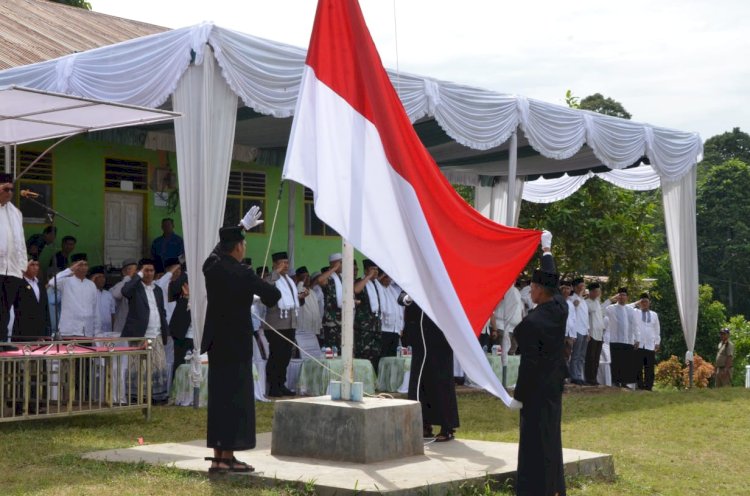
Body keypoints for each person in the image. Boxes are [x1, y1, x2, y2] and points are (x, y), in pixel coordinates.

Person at [202, 225, 281, 474]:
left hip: (216, 343)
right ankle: (228, 456)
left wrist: (239, 229)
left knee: (218, 399)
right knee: (235, 398)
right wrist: (263, 283)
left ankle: (217, 456)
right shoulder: (244, 272)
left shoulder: (211, 267)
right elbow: (273, 295)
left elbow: (214, 255)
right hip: (236, 342)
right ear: (238, 247)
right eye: (243, 244)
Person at [511, 230, 568, 496]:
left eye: (532, 287)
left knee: (534, 441)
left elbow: (528, 365)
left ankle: (535, 488)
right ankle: (554, 487)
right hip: (554, 385)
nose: (529, 291)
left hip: (535, 390)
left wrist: (519, 396)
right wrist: (546, 251)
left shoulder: (531, 324)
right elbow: (553, 281)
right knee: (551, 437)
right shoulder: (559, 307)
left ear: (539, 290)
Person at [400, 293, 459, 443]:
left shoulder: (442, 284)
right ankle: (423, 424)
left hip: (439, 340)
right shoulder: (414, 281)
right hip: (420, 340)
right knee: (419, 384)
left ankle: (447, 427)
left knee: (440, 382)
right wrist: (410, 296)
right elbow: (401, 299)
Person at [120, 258, 170, 403]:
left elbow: (161, 310)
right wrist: (138, 276)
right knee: (139, 367)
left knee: (157, 365)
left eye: (151, 270)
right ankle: (137, 397)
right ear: (141, 271)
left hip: (157, 333)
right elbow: (125, 291)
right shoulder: (135, 287)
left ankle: (157, 397)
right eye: (146, 270)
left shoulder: (158, 289)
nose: (149, 273)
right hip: (139, 334)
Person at [263, 251, 305, 397]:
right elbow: (266, 288)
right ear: (275, 264)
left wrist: (301, 297)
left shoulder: (288, 280)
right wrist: (276, 272)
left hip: (289, 323)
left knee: (286, 356)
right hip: (275, 324)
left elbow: (290, 300)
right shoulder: (271, 277)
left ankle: (282, 384)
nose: (286, 266)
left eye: (287, 263)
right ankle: (273, 386)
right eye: (283, 263)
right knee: (276, 355)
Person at [0, 172, 27, 347]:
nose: (10, 193)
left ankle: (2, 340)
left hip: (14, 269)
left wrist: (23, 265)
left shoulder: (16, 212)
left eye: (11, 189)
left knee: (5, 308)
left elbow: (21, 241)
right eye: (5, 189)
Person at [47, 254, 99, 337]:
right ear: (74, 266)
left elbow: (95, 308)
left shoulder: (91, 284)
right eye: (80, 265)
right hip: (69, 330)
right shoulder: (65, 281)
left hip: (87, 331)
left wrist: (97, 331)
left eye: (86, 265)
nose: (84, 267)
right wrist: (70, 270)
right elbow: (52, 282)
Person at [605, 287, 640, 388]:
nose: (622, 297)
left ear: (627, 297)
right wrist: (611, 299)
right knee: (616, 361)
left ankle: (625, 382)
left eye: (624, 295)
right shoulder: (610, 308)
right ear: (617, 296)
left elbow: (635, 325)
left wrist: (637, 338)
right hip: (615, 339)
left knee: (626, 361)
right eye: (620, 295)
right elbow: (602, 310)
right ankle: (616, 382)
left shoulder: (631, 310)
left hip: (628, 339)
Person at [354, 259, 382, 371]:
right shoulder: (362, 282)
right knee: (363, 355)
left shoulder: (376, 285)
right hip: (363, 327)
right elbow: (356, 290)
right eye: (372, 269)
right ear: (365, 270)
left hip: (376, 325)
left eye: (376, 269)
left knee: (375, 355)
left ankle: (372, 381)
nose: (375, 272)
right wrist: (367, 277)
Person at [12, 256, 50, 338]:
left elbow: (45, 307)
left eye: (37, 265)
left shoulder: (40, 284)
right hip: (22, 329)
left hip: (40, 329)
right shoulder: (19, 283)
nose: (36, 268)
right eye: (32, 265)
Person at [375, 271, 403, 359]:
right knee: (383, 356)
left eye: (389, 277)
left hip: (395, 330)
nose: (388, 279)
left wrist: (400, 327)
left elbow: (399, 310)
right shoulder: (378, 288)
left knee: (393, 357)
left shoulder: (393, 290)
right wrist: (379, 278)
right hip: (384, 330)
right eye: (385, 277)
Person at [634, 293, 660, 391]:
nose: (644, 304)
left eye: (646, 302)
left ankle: (648, 387)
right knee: (638, 366)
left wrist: (657, 342)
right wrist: (634, 340)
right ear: (639, 303)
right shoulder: (635, 312)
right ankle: (639, 386)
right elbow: (633, 327)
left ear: (650, 303)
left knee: (649, 367)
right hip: (638, 343)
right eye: (642, 302)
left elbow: (657, 329)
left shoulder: (654, 315)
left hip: (650, 344)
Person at [318, 253, 343, 348]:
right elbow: (320, 280)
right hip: (331, 321)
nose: (343, 265)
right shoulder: (329, 277)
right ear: (334, 263)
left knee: (342, 349)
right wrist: (333, 269)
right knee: (331, 349)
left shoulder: (342, 278)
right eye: (341, 263)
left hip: (342, 319)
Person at [569, 277, 590, 385]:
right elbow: (575, 305)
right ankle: (573, 376)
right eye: (580, 286)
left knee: (582, 356)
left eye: (583, 286)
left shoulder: (584, 302)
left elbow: (585, 317)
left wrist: (588, 331)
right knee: (575, 355)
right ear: (575, 287)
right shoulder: (572, 298)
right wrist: (581, 293)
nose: (583, 288)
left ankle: (579, 375)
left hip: (584, 330)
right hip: (576, 330)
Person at [584, 282, 605, 385]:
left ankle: (594, 378)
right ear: (591, 292)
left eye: (599, 291)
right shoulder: (587, 302)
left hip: (599, 334)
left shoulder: (597, 302)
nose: (598, 294)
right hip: (591, 334)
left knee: (596, 358)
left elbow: (601, 312)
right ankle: (589, 378)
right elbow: (591, 310)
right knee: (590, 358)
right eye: (596, 291)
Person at [89, 266, 116, 335]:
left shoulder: (109, 294)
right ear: (93, 278)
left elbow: (112, 313)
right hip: (93, 331)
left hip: (108, 331)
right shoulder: (89, 293)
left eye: (103, 277)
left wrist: (113, 330)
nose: (102, 279)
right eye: (99, 277)